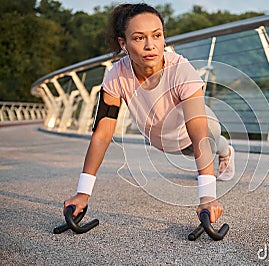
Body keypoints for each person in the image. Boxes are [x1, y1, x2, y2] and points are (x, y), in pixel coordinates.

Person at [63, 3, 235, 223]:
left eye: (157, 35)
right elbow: (102, 134)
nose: (150, 45)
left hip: (199, 127)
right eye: (138, 38)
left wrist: (208, 196)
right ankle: (220, 149)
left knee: (210, 138)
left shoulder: (181, 70)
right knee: (188, 151)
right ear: (123, 43)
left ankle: (226, 151)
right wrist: (82, 193)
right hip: (164, 139)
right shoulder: (116, 76)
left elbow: (199, 133)